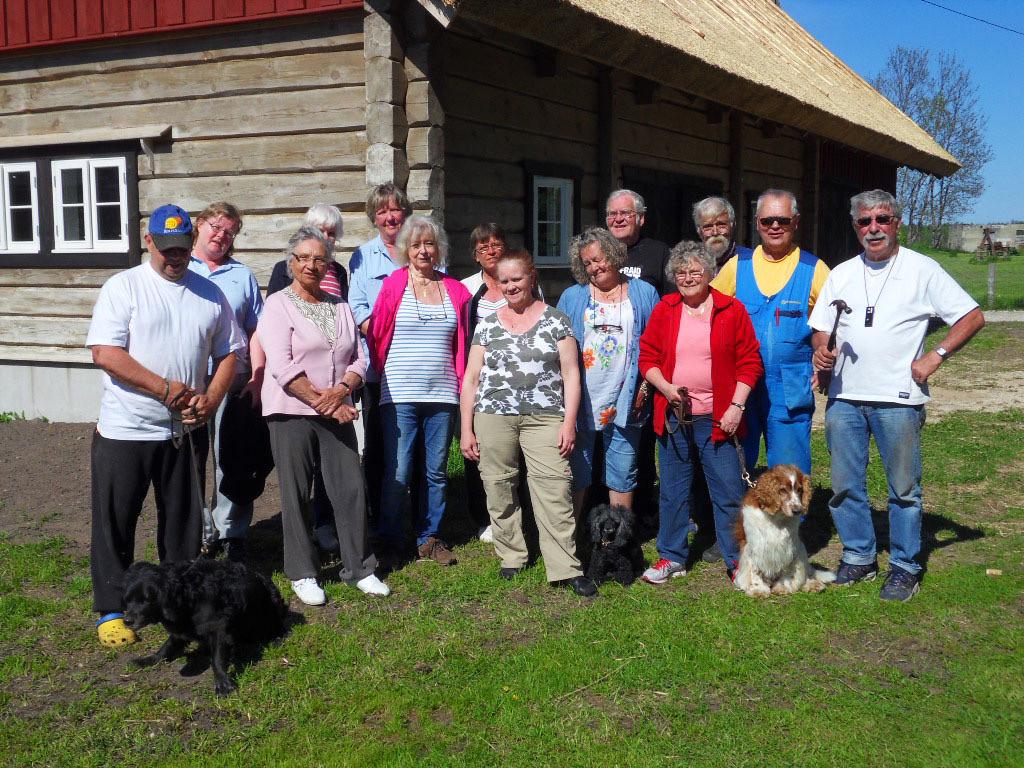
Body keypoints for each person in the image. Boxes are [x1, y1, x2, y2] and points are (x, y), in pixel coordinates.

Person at [810, 189, 984, 601]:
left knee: (903, 490)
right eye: (865, 222)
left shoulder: (923, 270)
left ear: (897, 223)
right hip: (846, 398)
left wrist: (935, 357)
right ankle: (859, 556)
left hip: (900, 399)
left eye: (882, 220)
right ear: (855, 227)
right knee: (845, 485)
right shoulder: (843, 273)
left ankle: (905, 566)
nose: (874, 229)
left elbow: (972, 316)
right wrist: (821, 348)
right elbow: (822, 325)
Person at [86, 204, 244, 646]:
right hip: (126, 430)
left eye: (182, 250)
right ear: (149, 241)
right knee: (116, 520)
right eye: (167, 249)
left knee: (182, 522)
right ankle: (112, 609)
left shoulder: (209, 294)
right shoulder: (124, 288)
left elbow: (231, 351)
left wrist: (211, 400)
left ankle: (179, 599)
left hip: (185, 432)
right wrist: (164, 389)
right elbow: (105, 352)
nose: (175, 259)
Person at [258, 226, 388, 605]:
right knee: (297, 492)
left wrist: (343, 389)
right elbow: (281, 366)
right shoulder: (277, 305)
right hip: (291, 413)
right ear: (291, 263)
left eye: (320, 259)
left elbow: (359, 358)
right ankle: (302, 572)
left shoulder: (340, 305)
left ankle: (360, 567)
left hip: (338, 408)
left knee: (349, 488)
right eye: (304, 258)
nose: (312, 265)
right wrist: (326, 401)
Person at [460, 250, 597, 597]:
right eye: (504, 281)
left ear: (531, 276)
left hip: (546, 416)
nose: (510, 286)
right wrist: (466, 427)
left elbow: (570, 374)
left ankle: (565, 565)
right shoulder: (487, 324)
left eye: (516, 279)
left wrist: (569, 422)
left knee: (554, 487)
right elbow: (472, 378)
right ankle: (512, 555)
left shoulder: (557, 321)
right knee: (498, 484)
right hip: (492, 414)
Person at [638, 241, 762, 584]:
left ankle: (740, 561)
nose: (688, 277)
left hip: (719, 418)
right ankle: (671, 556)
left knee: (727, 492)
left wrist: (737, 406)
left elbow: (750, 362)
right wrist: (664, 387)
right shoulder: (665, 308)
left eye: (695, 271)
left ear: (709, 273)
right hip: (676, 417)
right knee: (673, 492)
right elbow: (646, 357)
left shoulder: (731, 310)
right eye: (681, 272)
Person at [368, 215, 472, 567]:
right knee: (397, 471)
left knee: (436, 472)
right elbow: (377, 333)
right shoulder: (393, 284)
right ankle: (391, 539)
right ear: (406, 251)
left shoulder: (456, 290)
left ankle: (430, 537)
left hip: (443, 394)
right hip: (398, 393)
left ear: (439, 248)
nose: (423, 250)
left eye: (429, 244)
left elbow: (464, 341)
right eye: (416, 245)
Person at [712, 189, 829, 475]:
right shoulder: (736, 267)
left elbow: (834, 324)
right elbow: (707, 315)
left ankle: (788, 520)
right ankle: (739, 518)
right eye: (767, 221)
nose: (775, 226)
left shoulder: (814, 270)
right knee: (735, 465)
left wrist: (825, 359)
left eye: (783, 220)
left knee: (789, 471)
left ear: (796, 222)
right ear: (756, 222)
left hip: (789, 386)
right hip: (742, 386)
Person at [260, 204, 349, 554]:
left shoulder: (338, 273)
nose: (322, 240)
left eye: (330, 233)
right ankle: (299, 554)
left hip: (333, 387)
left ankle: (325, 526)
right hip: (295, 396)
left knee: (335, 476)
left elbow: (346, 337)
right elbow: (274, 337)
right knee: (297, 479)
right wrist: (321, 400)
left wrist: (341, 390)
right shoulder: (285, 278)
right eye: (317, 230)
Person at [556, 227, 659, 525]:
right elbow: (560, 348)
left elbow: (654, 344)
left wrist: (645, 387)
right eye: (587, 263)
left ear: (613, 256)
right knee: (578, 469)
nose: (594, 267)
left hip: (625, 396)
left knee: (623, 469)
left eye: (599, 259)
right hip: (583, 397)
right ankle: (570, 542)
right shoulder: (572, 297)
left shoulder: (643, 292)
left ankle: (619, 542)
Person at [185, 202, 262, 562]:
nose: (221, 235)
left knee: (232, 458)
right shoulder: (180, 266)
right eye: (216, 226)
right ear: (199, 225)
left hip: (234, 378)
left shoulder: (241, 275)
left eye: (230, 231)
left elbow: (256, 329)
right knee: (191, 457)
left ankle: (232, 532)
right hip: (189, 380)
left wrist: (258, 376)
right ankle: (200, 530)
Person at [348, 184, 412, 523]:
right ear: (374, 217)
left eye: (395, 210)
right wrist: (392, 339)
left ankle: (413, 513)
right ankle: (375, 514)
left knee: (410, 441)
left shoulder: (423, 248)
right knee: (375, 444)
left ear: (405, 213)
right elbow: (357, 308)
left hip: (417, 366)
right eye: (382, 211)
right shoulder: (362, 256)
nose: (389, 217)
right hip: (377, 368)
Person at [267, 204, 348, 298]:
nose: (325, 237)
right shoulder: (283, 269)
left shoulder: (339, 272)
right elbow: (273, 307)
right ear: (308, 231)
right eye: (320, 231)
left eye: (331, 233)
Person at [605, 189, 670, 294]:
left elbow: (671, 300)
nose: (618, 219)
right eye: (612, 213)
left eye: (625, 213)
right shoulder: (598, 252)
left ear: (641, 218)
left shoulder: (660, 252)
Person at [693, 196, 752, 272]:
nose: (715, 232)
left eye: (721, 225)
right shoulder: (691, 266)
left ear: (732, 226)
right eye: (708, 227)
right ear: (699, 231)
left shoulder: (750, 261)